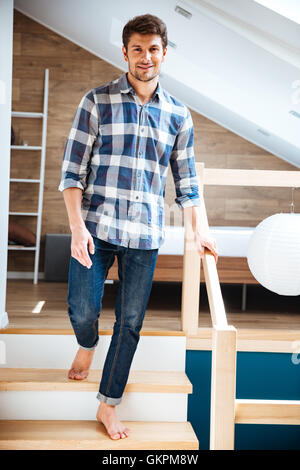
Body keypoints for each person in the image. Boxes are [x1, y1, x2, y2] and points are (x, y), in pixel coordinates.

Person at [58, 13, 218, 441]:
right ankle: (88, 344)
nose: (145, 57)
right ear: (125, 52)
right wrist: (76, 228)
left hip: (145, 235)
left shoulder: (179, 116)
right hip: (93, 227)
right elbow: (72, 173)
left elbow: (187, 183)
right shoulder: (97, 101)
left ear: (164, 53)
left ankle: (107, 406)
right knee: (82, 308)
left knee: (129, 323)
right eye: (137, 49)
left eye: (153, 49)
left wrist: (197, 229)